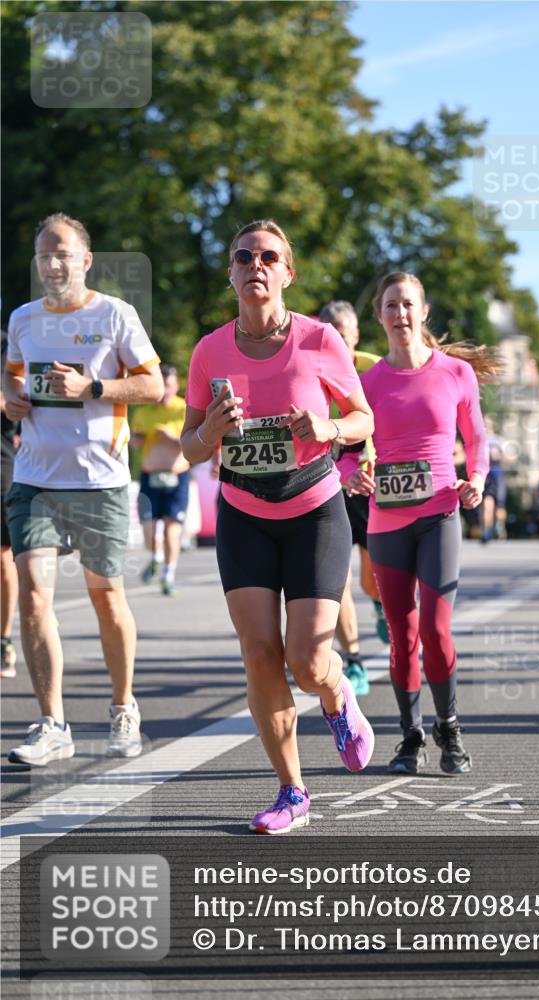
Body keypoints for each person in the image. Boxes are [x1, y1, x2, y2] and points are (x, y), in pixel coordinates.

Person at [181, 220, 375, 835]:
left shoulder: (320, 340)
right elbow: (189, 447)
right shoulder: (209, 350)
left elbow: (363, 418)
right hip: (244, 514)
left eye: (270, 257)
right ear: (232, 272)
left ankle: (338, 696)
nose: (256, 265)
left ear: (287, 273)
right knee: (260, 655)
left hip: (315, 510)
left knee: (308, 658)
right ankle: (291, 792)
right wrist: (210, 430)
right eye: (244, 256)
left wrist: (329, 431)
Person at [3, 213, 163, 765]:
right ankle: (52, 722)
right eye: (44, 254)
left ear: (85, 260)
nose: (52, 263)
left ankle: (123, 707)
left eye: (63, 253)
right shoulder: (23, 318)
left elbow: (154, 383)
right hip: (35, 479)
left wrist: (93, 385)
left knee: (107, 598)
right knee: (34, 596)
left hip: (100, 481)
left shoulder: (115, 314)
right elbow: (13, 375)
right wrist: (11, 397)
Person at [341, 272, 494, 777]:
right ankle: (411, 735)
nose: (400, 314)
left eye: (408, 304)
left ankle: (449, 726)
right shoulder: (368, 384)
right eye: (391, 306)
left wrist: (476, 478)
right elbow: (343, 450)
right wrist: (351, 475)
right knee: (401, 632)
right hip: (386, 521)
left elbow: (476, 439)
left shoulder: (454, 374)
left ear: (423, 312)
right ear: (379, 316)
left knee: (435, 627)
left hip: (439, 515)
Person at [319, 300, 387, 696]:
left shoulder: (374, 370)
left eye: (341, 334)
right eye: (326, 331)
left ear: (355, 336)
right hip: (328, 487)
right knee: (337, 581)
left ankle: (379, 604)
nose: (333, 340)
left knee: (372, 578)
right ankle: (355, 660)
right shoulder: (309, 369)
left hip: (369, 485)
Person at [131, 363, 190, 595]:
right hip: (150, 477)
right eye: (162, 385)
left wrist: (173, 437)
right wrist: (137, 438)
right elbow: (135, 440)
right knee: (149, 530)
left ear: (175, 386)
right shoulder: (144, 411)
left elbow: (193, 442)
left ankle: (169, 574)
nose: (165, 390)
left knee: (170, 531)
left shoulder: (184, 409)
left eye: (169, 385)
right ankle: (155, 557)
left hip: (177, 476)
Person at [1, 329, 19, 678]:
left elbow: (19, 400)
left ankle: (3, 638)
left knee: (3, 556)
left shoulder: (10, 340)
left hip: (1, 459)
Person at [480, 416, 508, 544]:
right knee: (487, 503)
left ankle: (499, 525)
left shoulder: (499, 440)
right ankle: (486, 531)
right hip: (484, 474)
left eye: (487, 424)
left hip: (497, 473)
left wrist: (499, 455)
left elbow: (509, 458)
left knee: (499, 507)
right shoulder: (478, 439)